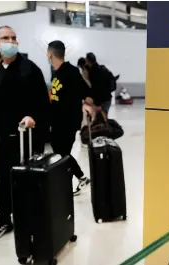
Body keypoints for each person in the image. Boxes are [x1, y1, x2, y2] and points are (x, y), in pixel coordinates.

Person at [0, 25, 51, 242]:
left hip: (27, 138)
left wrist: (33, 117)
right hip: (3, 138)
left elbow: (43, 104)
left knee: (29, 180)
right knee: (2, 180)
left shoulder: (30, 69)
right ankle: (5, 219)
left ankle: (32, 220)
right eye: (5, 38)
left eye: (13, 38)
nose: (11, 41)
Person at [47, 40, 93, 195]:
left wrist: (87, 103)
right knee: (59, 152)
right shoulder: (57, 73)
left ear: (50, 53)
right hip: (57, 120)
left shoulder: (71, 71)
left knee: (62, 153)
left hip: (67, 121)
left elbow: (86, 91)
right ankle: (76, 179)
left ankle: (79, 178)